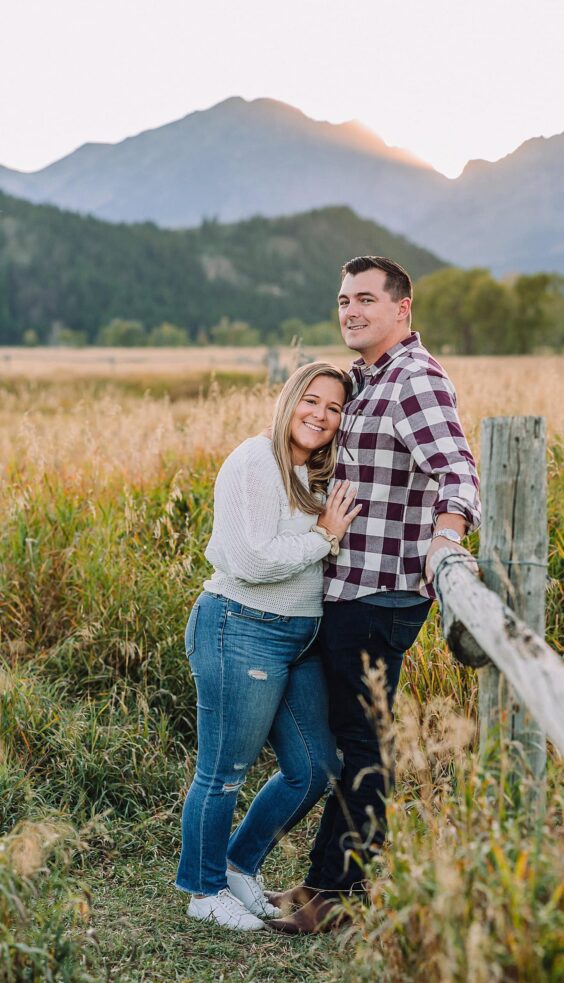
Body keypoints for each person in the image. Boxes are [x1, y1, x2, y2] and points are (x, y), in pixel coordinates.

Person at [267, 256, 481, 935]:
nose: (350, 310)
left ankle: (336, 897)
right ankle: (332, 886)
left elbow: (457, 472)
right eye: (342, 300)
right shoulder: (367, 379)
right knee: (355, 740)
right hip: (351, 587)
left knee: (362, 744)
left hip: (381, 593)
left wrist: (446, 540)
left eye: (365, 299)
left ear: (401, 311)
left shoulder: (415, 381)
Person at [175, 361, 361, 931]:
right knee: (224, 769)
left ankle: (237, 866)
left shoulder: (313, 475)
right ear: (289, 400)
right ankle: (202, 890)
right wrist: (325, 537)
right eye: (312, 401)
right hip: (240, 625)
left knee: (314, 767)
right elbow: (252, 561)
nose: (321, 416)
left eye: (333, 408)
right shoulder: (256, 460)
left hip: (298, 639)